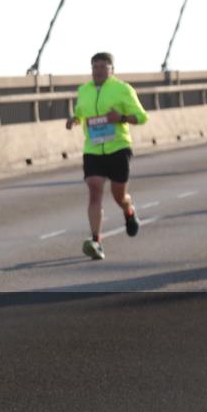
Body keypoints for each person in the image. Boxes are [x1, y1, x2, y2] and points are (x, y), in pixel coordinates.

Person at [66, 52, 149, 260]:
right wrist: (75, 119)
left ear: (112, 69)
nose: (99, 70)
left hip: (118, 148)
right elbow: (81, 111)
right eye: (95, 67)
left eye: (104, 66)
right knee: (94, 189)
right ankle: (96, 241)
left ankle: (129, 211)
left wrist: (120, 117)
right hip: (93, 149)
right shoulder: (84, 90)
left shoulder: (122, 89)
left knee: (119, 196)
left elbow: (142, 117)